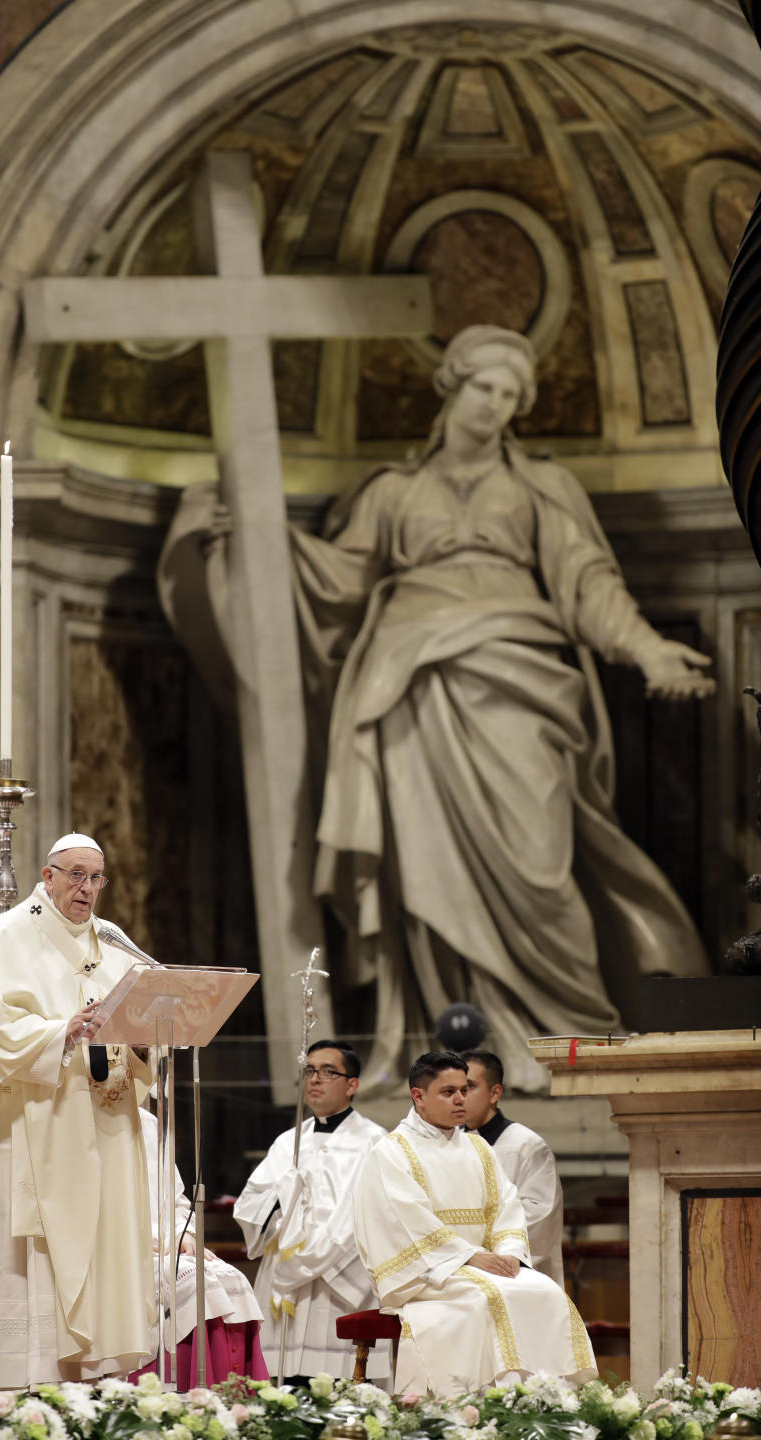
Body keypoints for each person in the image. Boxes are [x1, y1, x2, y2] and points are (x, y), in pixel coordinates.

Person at [159, 324, 714, 1092]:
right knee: (421, 873)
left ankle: (559, 1037)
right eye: (486, 387)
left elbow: (588, 584)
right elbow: (337, 582)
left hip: (518, 681)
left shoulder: (541, 488)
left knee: (539, 865)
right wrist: (252, 540)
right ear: (452, 385)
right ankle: (448, 1049)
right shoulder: (391, 492)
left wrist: (649, 650)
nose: (498, 405)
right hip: (407, 687)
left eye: (513, 395)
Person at [0, 833, 157, 1387]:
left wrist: (146, 1043)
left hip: (102, 1121)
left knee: (99, 1242)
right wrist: (64, 1030)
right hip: (32, 1122)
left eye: (96, 878)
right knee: (31, 1252)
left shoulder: (112, 946)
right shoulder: (4, 937)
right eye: (76, 875)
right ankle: (18, 1381)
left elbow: (141, 1023)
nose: (86, 889)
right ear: (48, 874)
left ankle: (90, 1377)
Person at [353, 1051, 596, 1398]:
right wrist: (468, 1257)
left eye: (464, 1090)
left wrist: (510, 1252)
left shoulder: (477, 1147)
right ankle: (471, 1404)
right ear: (418, 1096)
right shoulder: (392, 1152)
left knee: (545, 1292)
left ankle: (546, 1402)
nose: (459, 1100)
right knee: (491, 1295)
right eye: (447, 1092)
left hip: (481, 1265)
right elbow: (405, 1221)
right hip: (429, 1273)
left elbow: (505, 1207)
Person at [232, 1039, 388, 1382]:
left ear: (352, 1085)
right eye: (310, 1071)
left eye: (329, 1072)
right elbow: (250, 1203)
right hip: (287, 1274)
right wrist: (283, 1197)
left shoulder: (374, 1142)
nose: (315, 1079)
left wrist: (323, 1249)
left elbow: (372, 1213)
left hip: (339, 1279)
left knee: (340, 1382)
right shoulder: (288, 1141)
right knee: (285, 1383)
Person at [131, 1108, 268, 1386]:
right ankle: (193, 1389)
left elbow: (177, 1201)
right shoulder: (84, 1121)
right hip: (123, 1247)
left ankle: (231, 1396)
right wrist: (134, 1238)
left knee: (232, 1278)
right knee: (195, 1284)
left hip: (168, 1242)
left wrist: (187, 1235)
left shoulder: (148, 1123)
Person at [461, 1049, 565, 1286]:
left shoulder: (527, 1146)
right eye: (456, 1089)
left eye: (470, 1087)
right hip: (462, 1274)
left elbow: (539, 1215)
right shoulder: (449, 1145)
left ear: (495, 1092)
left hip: (516, 1277)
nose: (460, 1096)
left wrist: (475, 1247)